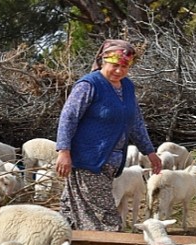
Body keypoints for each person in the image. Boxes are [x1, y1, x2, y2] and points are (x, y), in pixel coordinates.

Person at [55, 39, 162, 232]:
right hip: (88, 159)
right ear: (103, 60)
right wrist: (64, 151)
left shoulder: (127, 87)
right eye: (115, 65)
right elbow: (68, 117)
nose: (119, 71)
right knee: (104, 215)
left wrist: (150, 152)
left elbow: (135, 122)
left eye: (124, 66)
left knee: (73, 209)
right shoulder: (89, 85)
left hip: (111, 162)